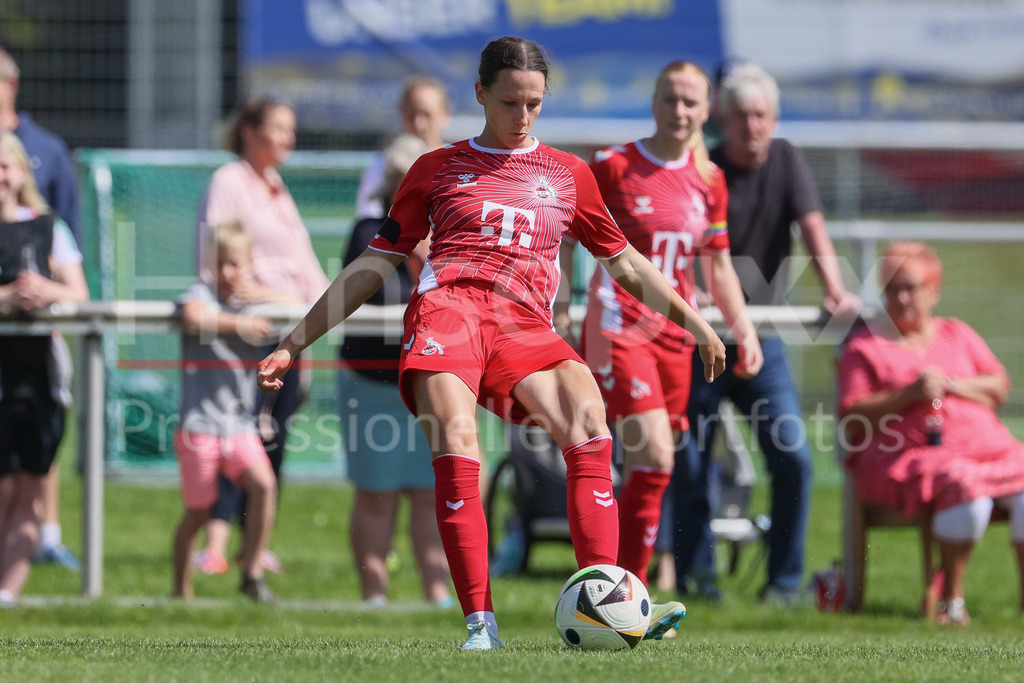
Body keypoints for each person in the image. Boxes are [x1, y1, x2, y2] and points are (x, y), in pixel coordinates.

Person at [257, 36, 727, 650]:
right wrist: (295, 342)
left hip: (525, 324)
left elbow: (628, 265)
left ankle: (609, 606)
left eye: (534, 103)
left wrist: (699, 324)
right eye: (510, 102)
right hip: (448, 312)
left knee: (590, 425)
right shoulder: (435, 168)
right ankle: (481, 625)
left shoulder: (569, 174)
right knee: (458, 441)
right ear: (480, 95)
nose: (523, 116)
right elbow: (372, 266)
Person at [555, 61, 762, 589]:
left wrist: (744, 328)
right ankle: (628, 591)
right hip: (618, 328)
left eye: (690, 102)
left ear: (707, 110)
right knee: (654, 452)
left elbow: (715, 263)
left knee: (654, 467)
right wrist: (555, 310)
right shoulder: (613, 166)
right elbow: (564, 240)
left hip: (675, 339)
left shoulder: (709, 180)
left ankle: (617, 590)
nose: (679, 110)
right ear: (652, 103)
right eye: (669, 99)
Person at [672, 62, 861, 603]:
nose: (752, 126)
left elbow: (813, 226)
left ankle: (782, 585)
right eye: (742, 116)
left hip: (763, 339)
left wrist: (834, 289)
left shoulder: (786, 158)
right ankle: (695, 579)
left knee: (794, 458)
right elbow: (681, 240)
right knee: (690, 460)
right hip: (703, 341)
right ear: (723, 120)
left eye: (761, 115)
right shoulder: (703, 169)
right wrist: (695, 291)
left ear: (773, 118)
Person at [838, 241, 1024, 626]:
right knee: (961, 482)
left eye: (910, 287)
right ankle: (951, 602)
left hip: (987, 449)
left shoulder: (957, 333)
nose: (900, 297)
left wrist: (952, 384)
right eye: (891, 289)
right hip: (902, 461)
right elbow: (851, 415)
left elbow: (997, 386)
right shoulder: (865, 346)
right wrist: (908, 394)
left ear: (933, 290)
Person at [193, 97, 330, 576]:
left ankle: (254, 543)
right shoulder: (229, 182)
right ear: (249, 130)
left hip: (286, 334)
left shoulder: (275, 187)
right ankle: (214, 545)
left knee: (273, 439)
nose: (288, 139)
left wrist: (321, 311)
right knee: (237, 438)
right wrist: (269, 298)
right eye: (278, 128)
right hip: (248, 335)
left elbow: (304, 264)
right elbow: (215, 261)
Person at [339, 133, 452, 608]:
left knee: (433, 494)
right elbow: (369, 297)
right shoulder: (370, 232)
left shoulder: (449, 234)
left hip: (432, 380)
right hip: (373, 383)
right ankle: (375, 597)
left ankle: (437, 594)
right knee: (377, 494)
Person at [1, 46, 83, 571]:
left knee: (30, 475)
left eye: (6, 165)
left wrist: (46, 293)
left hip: (35, 365)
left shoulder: (47, 225)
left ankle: (10, 587)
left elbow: (78, 291)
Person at [172, 222, 284, 604]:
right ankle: (179, 588)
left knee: (265, 486)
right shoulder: (202, 293)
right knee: (198, 512)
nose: (226, 273)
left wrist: (263, 294)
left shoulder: (254, 299)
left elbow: (305, 303)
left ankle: (251, 571)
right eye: (219, 263)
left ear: (249, 263)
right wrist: (242, 323)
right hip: (199, 425)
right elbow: (191, 315)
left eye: (235, 264)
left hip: (237, 425)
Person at [354, 75, 451, 220]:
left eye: (427, 114)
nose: (419, 124)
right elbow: (369, 218)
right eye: (412, 115)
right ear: (401, 114)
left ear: (445, 116)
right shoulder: (381, 165)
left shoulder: (460, 165)